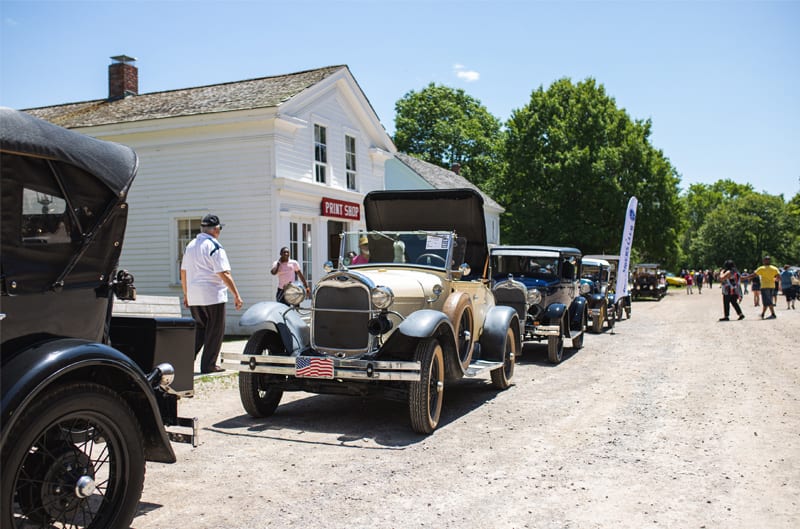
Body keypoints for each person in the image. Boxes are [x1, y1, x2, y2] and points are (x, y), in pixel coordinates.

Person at [181, 214, 244, 373]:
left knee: (199, 331)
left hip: (195, 294)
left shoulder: (191, 246)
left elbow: (183, 272)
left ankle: (184, 363)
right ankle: (209, 365)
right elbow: (224, 273)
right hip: (212, 294)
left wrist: (186, 294)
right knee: (215, 331)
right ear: (215, 229)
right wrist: (236, 294)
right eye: (219, 228)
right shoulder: (215, 246)